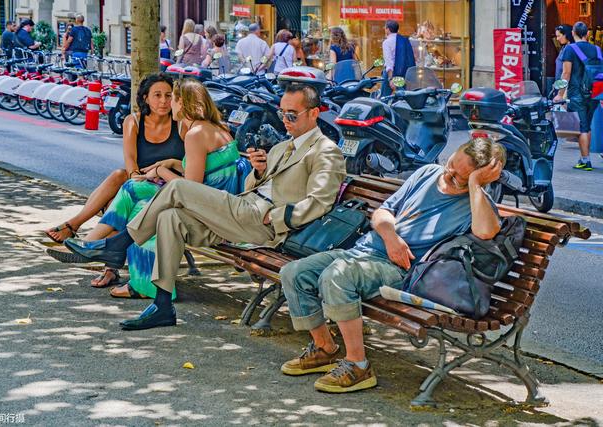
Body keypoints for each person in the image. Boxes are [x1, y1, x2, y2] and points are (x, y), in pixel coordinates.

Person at [59, 83, 347, 331]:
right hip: (243, 211)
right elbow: (253, 186)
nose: (285, 120)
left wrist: (279, 218)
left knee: (178, 187)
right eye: (282, 112)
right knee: (171, 217)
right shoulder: (284, 147)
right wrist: (258, 172)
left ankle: (118, 243)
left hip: (265, 223)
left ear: (314, 113)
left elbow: (320, 201)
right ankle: (162, 307)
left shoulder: (326, 152)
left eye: (292, 114)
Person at [279, 137, 504, 393]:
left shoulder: (476, 205)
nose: (449, 174)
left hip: (400, 270)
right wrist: (391, 237)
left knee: (337, 277)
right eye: (451, 164)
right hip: (364, 251)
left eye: (460, 178)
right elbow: (383, 211)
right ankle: (325, 349)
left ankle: (358, 366)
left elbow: (486, 232)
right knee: (294, 272)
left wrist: (475, 184)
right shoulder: (428, 173)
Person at [49, 79, 241, 300]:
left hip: (208, 213)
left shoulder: (195, 134)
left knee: (142, 206)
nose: (169, 103)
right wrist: (171, 163)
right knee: (132, 187)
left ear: (182, 102)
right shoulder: (212, 128)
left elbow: (190, 189)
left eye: (172, 98)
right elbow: (206, 170)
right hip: (215, 204)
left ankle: (110, 258)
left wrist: (160, 170)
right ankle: (97, 247)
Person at [44, 73, 187, 287]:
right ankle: (88, 243)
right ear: (145, 98)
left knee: (122, 201)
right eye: (157, 95)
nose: (164, 101)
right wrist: (138, 179)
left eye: (168, 95)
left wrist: (168, 164)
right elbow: (131, 163)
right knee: (120, 177)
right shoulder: (134, 122)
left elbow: (189, 166)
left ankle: (88, 243)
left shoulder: (181, 124)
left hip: (169, 189)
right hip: (140, 183)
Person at [554, 21, 600, 171]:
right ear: (587, 34)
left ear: (573, 33)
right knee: (587, 125)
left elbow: (566, 73)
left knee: (582, 127)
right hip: (594, 94)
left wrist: (559, 94)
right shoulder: (597, 50)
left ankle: (586, 161)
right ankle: (583, 157)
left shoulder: (570, 49)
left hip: (576, 93)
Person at [381, 20, 416, 96]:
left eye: (385, 28)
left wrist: (391, 79)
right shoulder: (404, 40)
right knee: (403, 96)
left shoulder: (387, 42)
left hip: (392, 73)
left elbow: (389, 63)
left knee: (384, 98)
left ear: (388, 29)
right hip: (404, 72)